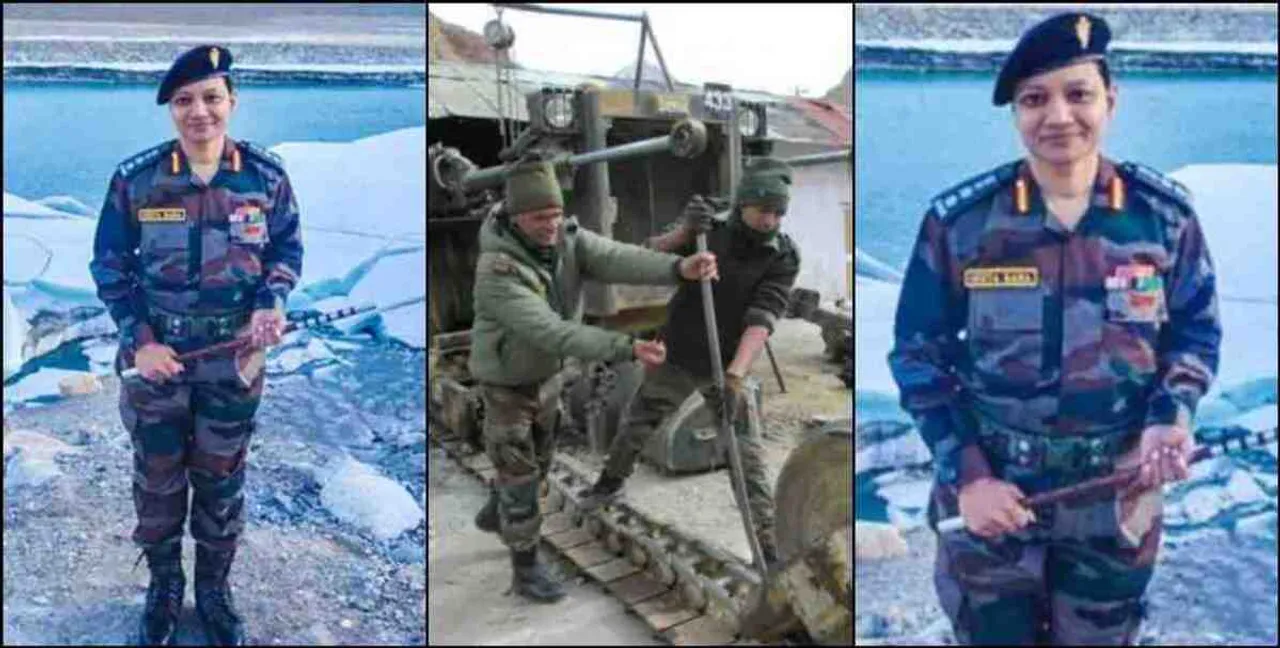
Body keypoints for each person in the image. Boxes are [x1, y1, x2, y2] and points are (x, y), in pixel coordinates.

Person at [887, 12, 1221, 645]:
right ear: (1015, 112)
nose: (1058, 116)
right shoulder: (962, 226)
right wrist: (970, 475)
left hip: (1115, 499)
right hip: (995, 500)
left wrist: (1171, 414)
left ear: (1110, 101)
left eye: (1078, 94)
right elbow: (917, 353)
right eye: (1035, 99)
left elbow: (1195, 334)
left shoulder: (1164, 220)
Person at [90, 44, 303, 646]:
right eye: (184, 101)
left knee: (221, 477)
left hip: (232, 362)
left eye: (211, 97)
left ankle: (214, 589)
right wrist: (140, 341)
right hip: (158, 363)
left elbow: (285, 252)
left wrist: (272, 300)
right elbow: (110, 266)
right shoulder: (138, 180)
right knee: (158, 479)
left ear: (232, 102)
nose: (199, 112)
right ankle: (163, 589)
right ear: (171, 110)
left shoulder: (265, 177)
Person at [468, 159, 719, 603]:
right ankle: (524, 570)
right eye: (539, 218)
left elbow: (618, 257)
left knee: (538, 465)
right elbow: (551, 330)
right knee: (522, 478)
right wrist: (625, 347)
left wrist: (677, 269)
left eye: (555, 215)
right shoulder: (497, 270)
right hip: (508, 389)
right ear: (515, 216)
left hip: (547, 379)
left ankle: (497, 509)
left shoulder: (568, 239)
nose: (550, 225)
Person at [577, 157, 803, 570]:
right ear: (743, 203)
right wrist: (684, 230)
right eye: (764, 210)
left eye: (778, 213)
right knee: (638, 423)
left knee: (745, 454)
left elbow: (763, 316)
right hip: (680, 351)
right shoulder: (708, 231)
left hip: (730, 362)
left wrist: (736, 375)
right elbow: (648, 253)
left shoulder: (783, 255)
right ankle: (608, 485)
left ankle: (768, 549)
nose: (771, 220)